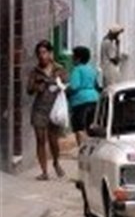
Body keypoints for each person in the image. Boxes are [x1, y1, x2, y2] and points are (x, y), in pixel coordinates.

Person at [27, 40, 68, 180]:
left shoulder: (59, 69)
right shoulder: (35, 71)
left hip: (54, 109)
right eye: (39, 53)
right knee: (40, 139)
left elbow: (67, 83)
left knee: (53, 140)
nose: (42, 56)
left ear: (50, 53)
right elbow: (29, 89)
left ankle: (56, 162)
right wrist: (38, 87)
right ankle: (44, 171)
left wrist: (59, 85)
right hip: (39, 109)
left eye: (44, 52)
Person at [66, 46, 100, 146]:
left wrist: (65, 90)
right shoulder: (91, 69)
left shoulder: (77, 70)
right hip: (94, 99)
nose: (72, 59)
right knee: (91, 127)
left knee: (79, 128)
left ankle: (82, 148)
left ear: (78, 58)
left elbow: (74, 86)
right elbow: (96, 85)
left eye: (73, 56)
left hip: (80, 102)